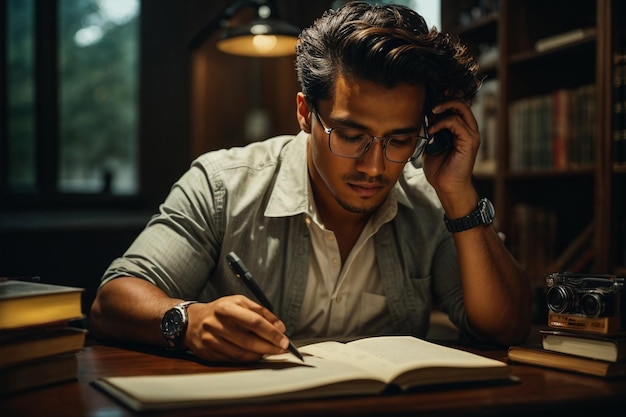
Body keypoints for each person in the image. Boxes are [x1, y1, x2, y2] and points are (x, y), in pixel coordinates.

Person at [90, 1, 531, 363]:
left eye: (399, 140)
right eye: (352, 136)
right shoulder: (222, 186)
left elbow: (507, 326)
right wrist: (188, 321)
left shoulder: (429, 203)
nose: (375, 167)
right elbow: (112, 300)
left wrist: (459, 194)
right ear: (305, 113)